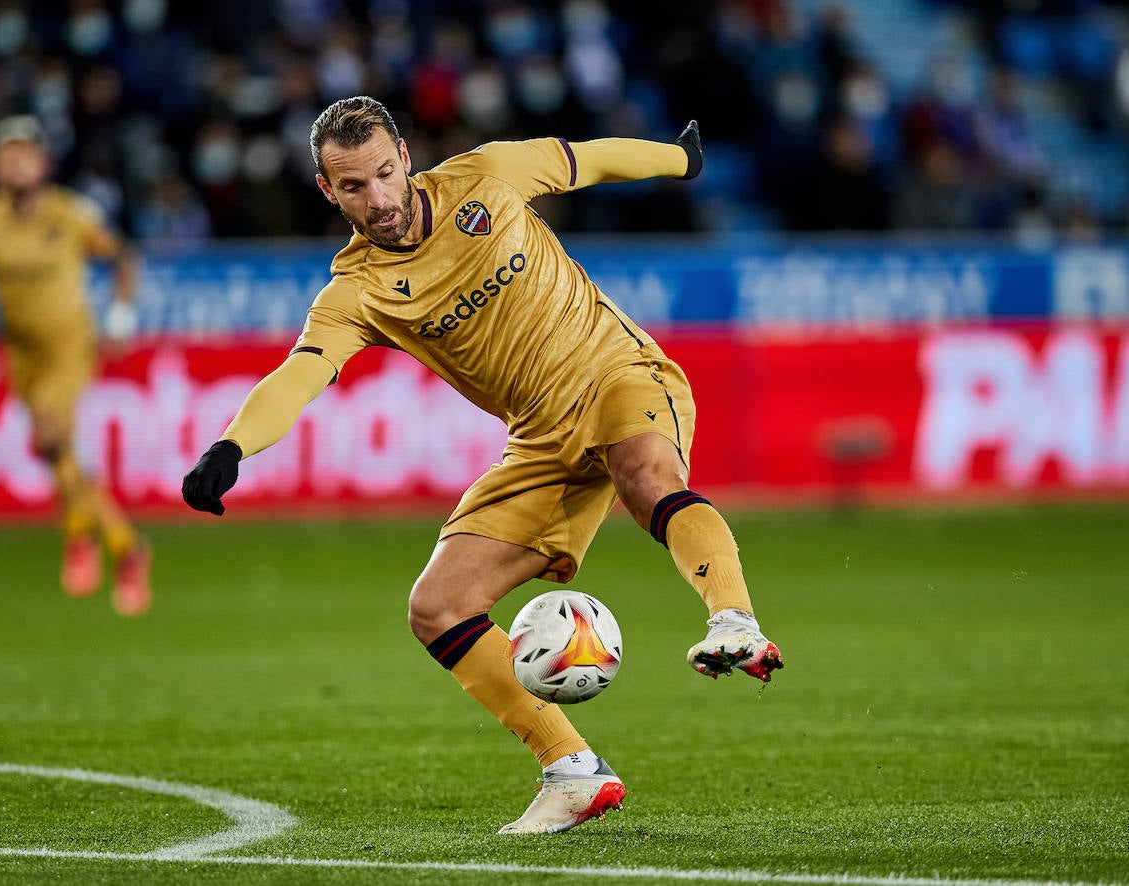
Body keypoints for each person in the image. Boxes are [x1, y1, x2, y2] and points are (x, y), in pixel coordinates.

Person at [183, 96, 785, 834]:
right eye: (353, 187)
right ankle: (572, 771)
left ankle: (735, 619)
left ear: (404, 157)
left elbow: (588, 159)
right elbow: (300, 374)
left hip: (617, 373)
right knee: (438, 607)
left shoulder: (488, 177)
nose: (377, 200)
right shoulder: (357, 292)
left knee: (646, 476)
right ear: (327, 191)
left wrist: (680, 159)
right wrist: (231, 446)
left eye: (382, 174)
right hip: (539, 440)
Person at [0, 115, 151, 617]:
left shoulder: (71, 212)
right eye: (7, 155)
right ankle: (123, 545)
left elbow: (123, 258)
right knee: (54, 453)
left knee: (54, 440)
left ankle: (81, 536)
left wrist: (121, 318)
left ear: (42, 162)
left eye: (25, 154)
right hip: (19, 348)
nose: (16, 163)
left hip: (69, 345)